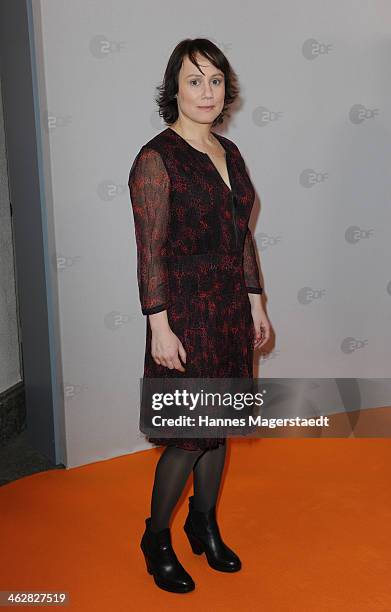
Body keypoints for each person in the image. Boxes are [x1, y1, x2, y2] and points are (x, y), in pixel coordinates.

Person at [128, 38, 271, 594]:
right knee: (190, 434)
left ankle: (203, 522)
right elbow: (151, 251)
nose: (206, 91)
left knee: (221, 428)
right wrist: (158, 324)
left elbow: (243, 236)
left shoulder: (230, 153)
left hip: (231, 307)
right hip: (185, 311)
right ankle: (156, 536)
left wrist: (256, 301)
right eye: (195, 80)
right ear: (175, 89)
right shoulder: (155, 159)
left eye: (215, 80)